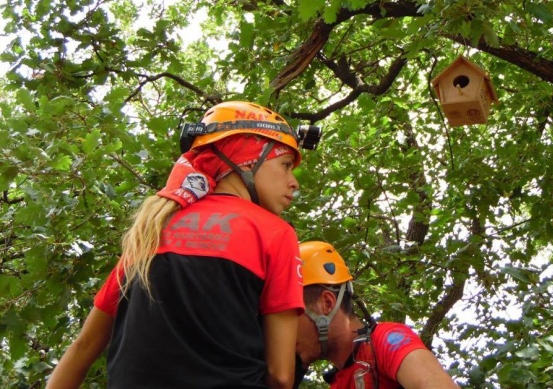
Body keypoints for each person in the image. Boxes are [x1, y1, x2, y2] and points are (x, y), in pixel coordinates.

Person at [47, 101, 319, 389]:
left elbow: (83, 347)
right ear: (248, 159)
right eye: (286, 165)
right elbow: (280, 376)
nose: (293, 182)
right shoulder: (274, 233)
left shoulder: (152, 228)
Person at [295, 241, 460, 389]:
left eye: (292, 316)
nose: (283, 331)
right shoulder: (340, 383)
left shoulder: (386, 340)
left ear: (327, 304)